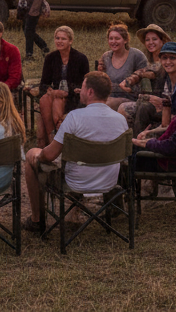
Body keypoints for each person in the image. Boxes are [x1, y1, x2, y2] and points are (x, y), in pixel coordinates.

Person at [22, 71, 129, 231]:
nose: (79, 90)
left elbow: (50, 155)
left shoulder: (74, 117)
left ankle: (37, 220)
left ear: (90, 92)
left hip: (76, 182)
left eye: (83, 87)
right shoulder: (120, 119)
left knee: (32, 155)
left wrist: (38, 153)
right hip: (108, 181)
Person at [36, 25, 90, 148]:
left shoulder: (81, 58)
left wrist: (67, 92)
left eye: (63, 39)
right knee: (45, 99)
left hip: (74, 96)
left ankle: (55, 141)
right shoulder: (51, 58)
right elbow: (43, 84)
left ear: (70, 41)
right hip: (56, 95)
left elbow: (84, 84)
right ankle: (52, 137)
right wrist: (50, 91)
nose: (59, 41)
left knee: (57, 101)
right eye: (57, 38)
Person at [132, 41, 176, 136]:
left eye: (172, 58)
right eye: (164, 58)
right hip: (168, 113)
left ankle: (140, 143)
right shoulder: (167, 77)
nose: (168, 62)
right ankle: (138, 141)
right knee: (143, 106)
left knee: (144, 108)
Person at [99, 23, 148, 116]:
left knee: (105, 105)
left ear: (125, 40)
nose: (113, 41)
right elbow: (101, 80)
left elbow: (145, 78)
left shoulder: (136, 55)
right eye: (111, 38)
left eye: (117, 38)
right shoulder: (106, 57)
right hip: (109, 97)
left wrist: (130, 84)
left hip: (130, 97)